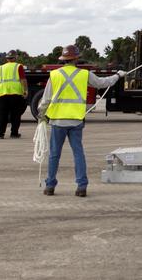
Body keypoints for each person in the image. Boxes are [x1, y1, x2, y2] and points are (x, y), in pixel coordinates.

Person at [37, 44, 124, 197]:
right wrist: (118, 75)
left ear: (63, 59)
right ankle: (81, 187)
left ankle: (50, 186)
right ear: (76, 58)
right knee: (78, 153)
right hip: (76, 120)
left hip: (57, 121)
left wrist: (41, 115)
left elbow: (46, 99)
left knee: (54, 154)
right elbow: (103, 83)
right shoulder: (85, 74)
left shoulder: (55, 75)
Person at [0, 50, 28, 139]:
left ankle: (0, 134)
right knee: (16, 114)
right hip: (15, 93)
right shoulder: (18, 66)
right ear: (15, 57)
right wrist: (25, 90)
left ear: (7, 58)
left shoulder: (0, 68)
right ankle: (14, 133)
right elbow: (23, 80)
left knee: (1, 115)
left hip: (2, 93)